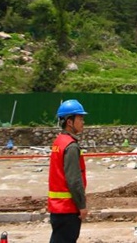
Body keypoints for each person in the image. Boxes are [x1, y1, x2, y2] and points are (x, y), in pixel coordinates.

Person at [48, 99, 88, 243]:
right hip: (68, 209)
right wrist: (82, 206)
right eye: (80, 118)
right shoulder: (71, 146)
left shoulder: (59, 142)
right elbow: (74, 180)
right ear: (70, 122)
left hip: (58, 208)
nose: (83, 122)